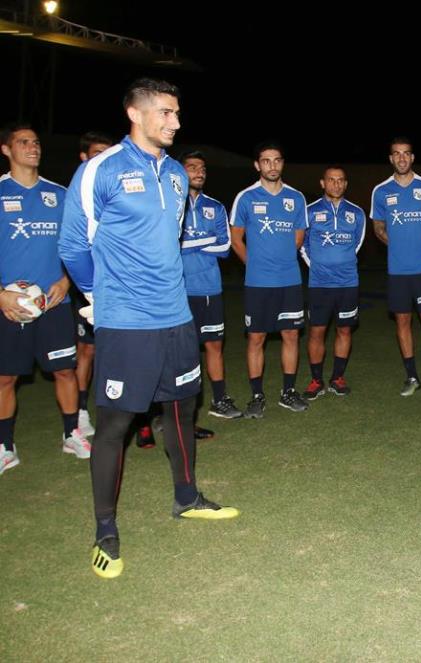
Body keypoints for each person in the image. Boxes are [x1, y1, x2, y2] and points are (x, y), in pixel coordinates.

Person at [60, 78, 239, 579]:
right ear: (135, 114)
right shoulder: (100, 170)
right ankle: (105, 530)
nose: (175, 122)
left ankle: (187, 497)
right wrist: (98, 296)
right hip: (127, 323)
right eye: (165, 112)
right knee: (115, 425)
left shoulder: (177, 174)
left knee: (181, 410)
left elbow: (168, 241)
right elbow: (73, 245)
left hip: (176, 317)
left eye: (177, 112)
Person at [0, 123, 89, 475]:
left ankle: (72, 434)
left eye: (36, 142)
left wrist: (67, 282)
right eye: (23, 142)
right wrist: (1, 296)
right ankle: (5, 446)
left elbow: (78, 246)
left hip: (54, 303)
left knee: (65, 370)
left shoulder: (59, 195)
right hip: (10, 306)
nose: (32, 147)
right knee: (5, 377)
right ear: (6, 150)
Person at [230, 140, 309, 417]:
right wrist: (254, 265)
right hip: (258, 283)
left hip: (289, 280)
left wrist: (282, 260)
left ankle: (288, 392)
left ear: (282, 163)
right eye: (266, 161)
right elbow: (235, 239)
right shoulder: (246, 198)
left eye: (277, 160)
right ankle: (257, 396)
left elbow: (298, 238)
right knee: (256, 337)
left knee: (291, 334)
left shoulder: (296, 198)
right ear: (257, 165)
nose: (272, 166)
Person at [370, 137, 421, 402]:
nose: (401, 158)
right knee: (402, 321)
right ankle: (412, 376)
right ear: (391, 158)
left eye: (406, 154)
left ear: (412, 158)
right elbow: (378, 227)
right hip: (397, 271)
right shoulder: (381, 191)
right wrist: (394, 245)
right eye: (397, 154)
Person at [179, 150, 242, 420]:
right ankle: (177, 407)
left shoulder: (215, 207)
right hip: (178, 291)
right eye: (192, 167)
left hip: (210, 289)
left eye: (202, 168)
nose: (199, 172)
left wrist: (188, 243)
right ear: (180, 171)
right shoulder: (170, 205)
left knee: (214, 346)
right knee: (181, 352)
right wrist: (206, 240)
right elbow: (169, 245)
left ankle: (219, 400)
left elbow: (225, 247)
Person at [300, 166, 365, 399]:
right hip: (319, 283)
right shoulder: (309, 211)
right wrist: (319, 266)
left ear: (345, 184)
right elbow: (303, 244)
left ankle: (337, 377)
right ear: (322, 183)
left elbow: (357, 244)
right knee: (317, 331)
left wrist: (341, 264)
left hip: (348, 283)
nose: (336, 184)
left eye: (340, 180)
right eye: (331, 180)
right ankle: (316, 380)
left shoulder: (357, 213)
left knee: (344, 330)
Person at [72, 131, 113, 440]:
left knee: (117, 350)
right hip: (88, 288)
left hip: (118, 285)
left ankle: (123, 412)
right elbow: (70, 247)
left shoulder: (114, 193)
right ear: (84, 157)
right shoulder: (77, 195)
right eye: (97, 153)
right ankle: (81, 410)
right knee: (87, 350)